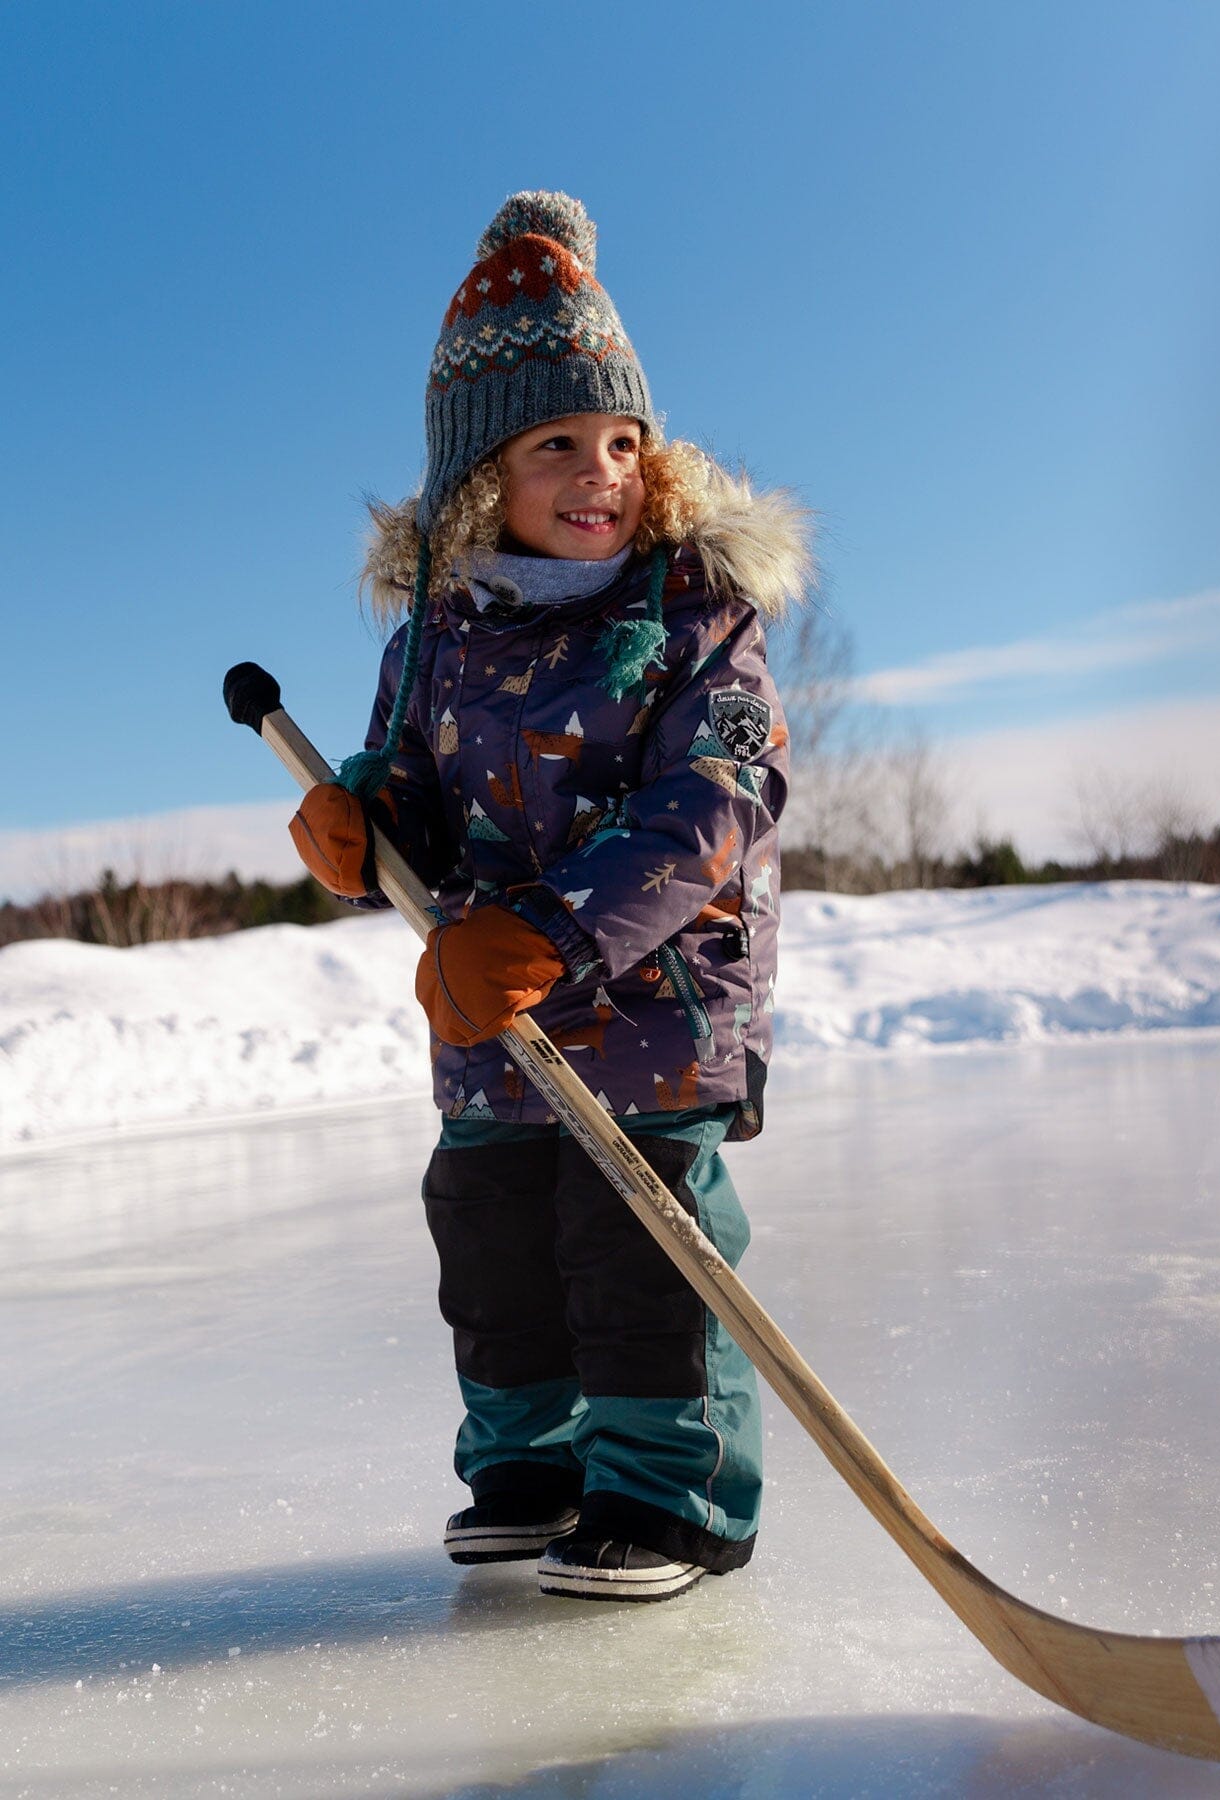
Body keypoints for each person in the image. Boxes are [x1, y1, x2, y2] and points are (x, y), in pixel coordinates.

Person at [288, 191, 809, 1603]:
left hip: (648, 1007)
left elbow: (721, 801)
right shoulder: (438, 636)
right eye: (557, 445)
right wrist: (358, 822)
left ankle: (670, 1492)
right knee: (494, 1238)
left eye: (623, 442)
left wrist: (558, 930)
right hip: (489, 1024)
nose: (602, 473)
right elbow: (405, 781)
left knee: (634, 1245)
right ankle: (532, 1462)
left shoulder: (695, 616)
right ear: (479, 479)